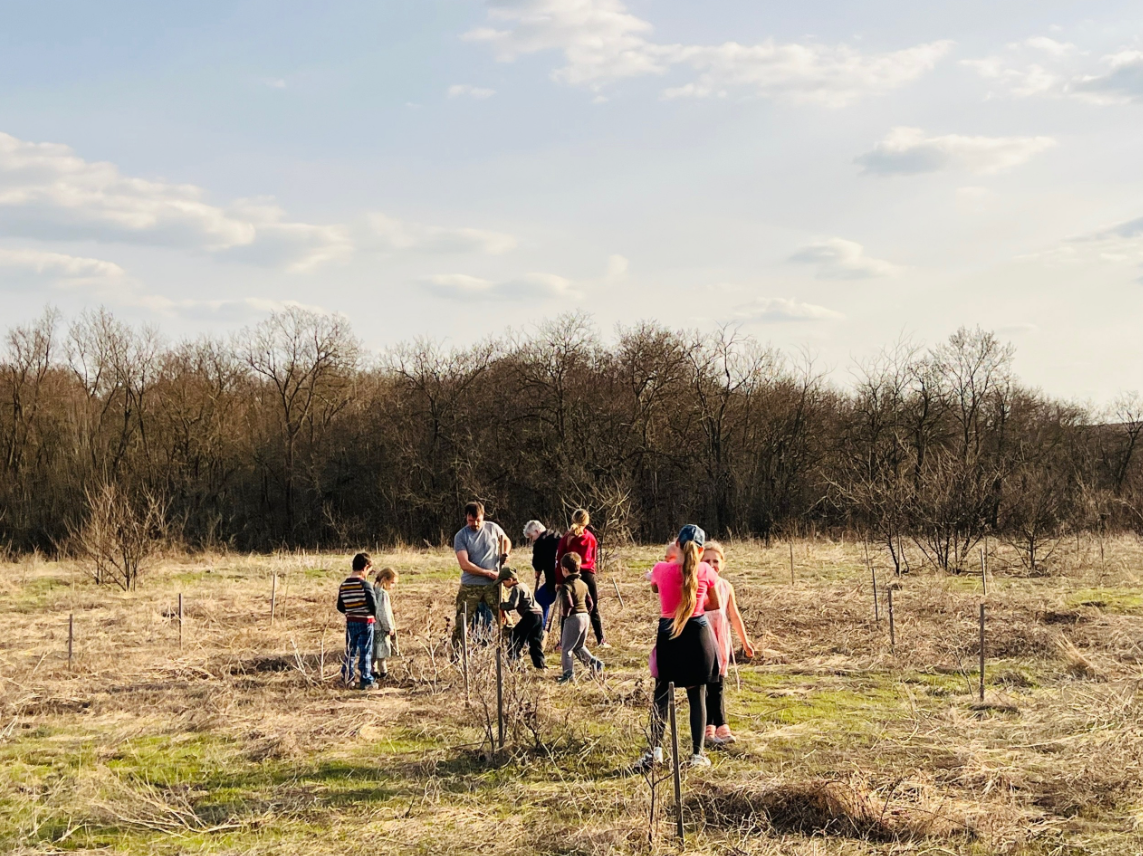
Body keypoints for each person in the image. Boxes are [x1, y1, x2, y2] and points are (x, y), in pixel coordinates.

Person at [633, 524, 721, 771]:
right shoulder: (705, 570)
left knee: (661, 692)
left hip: (669, 632)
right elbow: (714, 603)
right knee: (697, 695)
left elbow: (655, 588)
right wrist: (695, 600)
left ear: (679, 545)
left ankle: (655, 751)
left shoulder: (661, 570)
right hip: (698, 632)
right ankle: (697, 754)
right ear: (702, 550)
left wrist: (669, 556)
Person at [701, 541, 755, 745]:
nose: (712, 564)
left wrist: (745, 641)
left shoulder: (726, 586)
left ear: (722, 563)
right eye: (707, 560)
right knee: (707, 683)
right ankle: (712, 727)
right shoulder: (699, 584)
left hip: (721, 637)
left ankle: (717, 727)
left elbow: (734, 615)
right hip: (704, 636)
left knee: (719, 682)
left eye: (716, 560)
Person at [452, 501, 511, 649]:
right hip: (470, 586)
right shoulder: (461, 536)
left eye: (478, 520)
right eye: (471, 520)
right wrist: (487, 573)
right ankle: (458, 655)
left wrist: (506, 552)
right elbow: (464, 564)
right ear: (466, 518)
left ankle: (513, 654)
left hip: (494, 585)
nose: (475, 524)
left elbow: (506, 541)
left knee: (506, 621)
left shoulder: (493, 528)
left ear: (483, 516)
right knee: (461, 622)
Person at [556, 509, 608, 648]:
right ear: (587, 521)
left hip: (571, 576)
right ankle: (600, 639)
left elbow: (560, 558)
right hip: (587, 575)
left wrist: (559, 579)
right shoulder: (591, 537)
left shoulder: (567, 537)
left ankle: (563, 641)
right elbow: (594, 558)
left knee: (566, 608)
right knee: (594, 608)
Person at [556, 552, 604, 683]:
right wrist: (586, 613)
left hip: (573, 618)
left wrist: (565, 616)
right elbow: (590, 603)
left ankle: (568, 675)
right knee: (578, 646)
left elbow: (569, 604)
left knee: (566, 649)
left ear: (564, 569)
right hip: (585, 617)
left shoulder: (567, 586)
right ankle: (595, 664)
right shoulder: (583, 584)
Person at [337, 552, 378, 690]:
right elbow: (373, 605)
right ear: (365, 567)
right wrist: (374, 615)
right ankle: (366, 679)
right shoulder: (365, 585)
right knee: (365, 650)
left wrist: (351, 611)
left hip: (351, 621)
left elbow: (340, 606)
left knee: (350, 650)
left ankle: (348, 676)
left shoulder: (344, 585)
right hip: (366, 622)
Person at [498, 567, 547, 669]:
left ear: (510, 579)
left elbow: (513, 604)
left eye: (503, 582)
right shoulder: (524, 585)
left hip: (530, 615)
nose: (503, 584)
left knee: (515, 637)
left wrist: (500, 605)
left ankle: (515, 662)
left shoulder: (517, 588)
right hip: (539, 614)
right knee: (535, 641)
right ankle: (540, 666)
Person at [523, 520, 560, 627]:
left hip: (553, 580)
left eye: (531, 537)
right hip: (564, 577)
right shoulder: (558, 536)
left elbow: (537, 563)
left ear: (536, 531)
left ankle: (540, 628)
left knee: (539, 599)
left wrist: (537, 570)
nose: (532, 540)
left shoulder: (541, 542)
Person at [372, 566, 399, 680]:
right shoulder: (383, 594)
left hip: (371, 626)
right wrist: (389, 627)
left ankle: (372, 670)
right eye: (392, 582)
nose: (393, 586)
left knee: (373, 651)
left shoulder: (372, 590)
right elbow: (383, 612)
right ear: (384, 579)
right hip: (381, 628)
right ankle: (383, 672)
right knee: (381, 652)